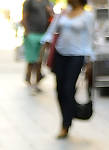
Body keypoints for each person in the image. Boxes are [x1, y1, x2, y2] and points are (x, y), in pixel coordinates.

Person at [41, 0, 94, 139]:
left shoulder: (87, 16)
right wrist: (46, 41)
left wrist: (90, 60)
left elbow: (90, 37)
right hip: (61, 54)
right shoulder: (64, 12)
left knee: (68, 88)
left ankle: (66, 123)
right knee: (59, 89)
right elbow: (52, 30)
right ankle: (68, 115)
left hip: (77, 55)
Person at [22, 0, 53, 92]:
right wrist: (27, 31)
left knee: (39, 59)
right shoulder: (29, 2)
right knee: (32, 59)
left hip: (43, 34)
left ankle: (36, 80)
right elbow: (24, 16)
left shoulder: (47, 2)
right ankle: (28, 78)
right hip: (32, 33)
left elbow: (52, 18)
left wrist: (50, 12)